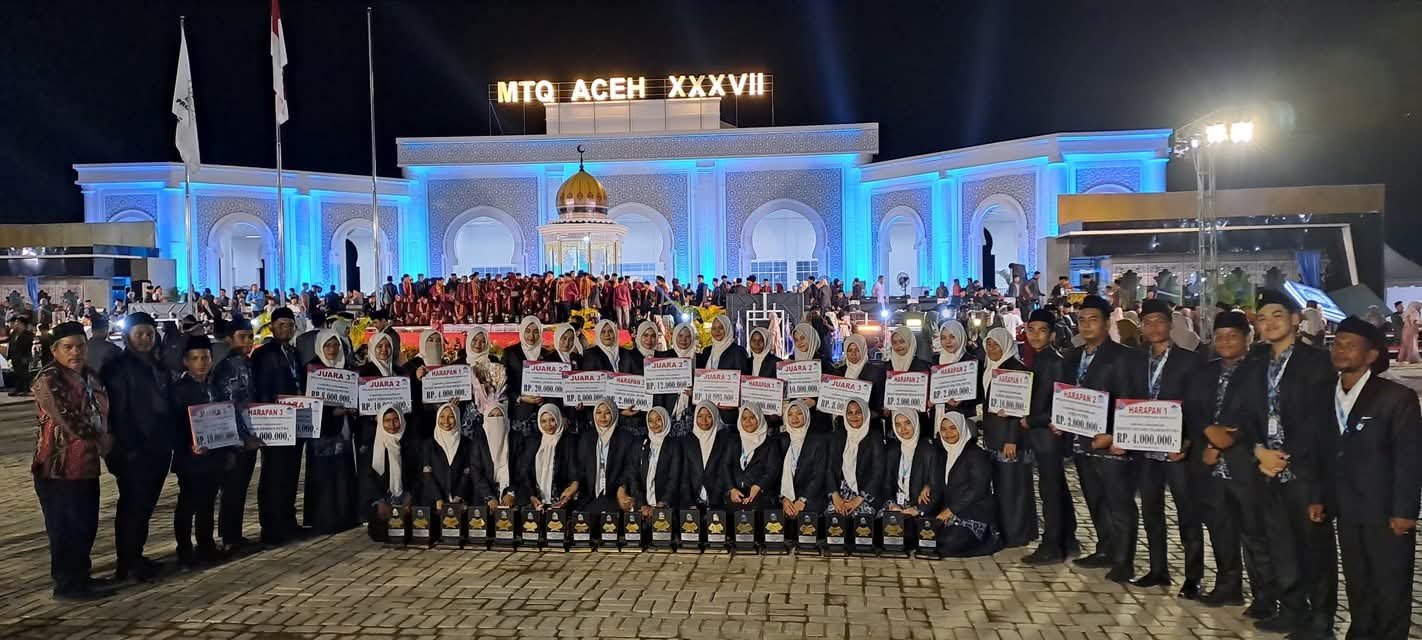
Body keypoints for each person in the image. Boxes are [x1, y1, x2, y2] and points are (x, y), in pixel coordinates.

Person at [1322, 317, 1420, 640]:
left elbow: (1409, 458)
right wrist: (1321, 498)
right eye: (1337, 344)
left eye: (1351, 346)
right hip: (1347, 508)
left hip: (1385, 509)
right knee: (1357, 579)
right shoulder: (1327, 395)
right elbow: (1322, 451)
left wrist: (1405, 511)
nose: (1341, 350)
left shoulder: (1396, 398)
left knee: (1390, 583)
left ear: (1372, 355)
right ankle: (1361, 632)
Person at [1246, 289, 1337, 636]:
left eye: (1277, 315)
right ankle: (1292, 609)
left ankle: (1322, 619)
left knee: (1315, 548)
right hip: (1266, 469)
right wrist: (1259, 451)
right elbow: (1244, 413)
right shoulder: (1256, 362)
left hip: (1305, 471)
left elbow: (1323, 422)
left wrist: (1287, 458)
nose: (1269, 323)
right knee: (1280, 544)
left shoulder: (1317, 362)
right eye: (1262, 317)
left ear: (1296, 320)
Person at [31, 321, 115, 600]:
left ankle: (82, 576)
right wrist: (100, 437)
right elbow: (66, 418)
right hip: (57, 468)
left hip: (87, 465)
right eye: (68, 347)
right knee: (64, 527)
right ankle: (67, 584)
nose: (75, 352)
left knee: (85, 524)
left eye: (80, 346)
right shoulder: (48, 379)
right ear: (55, 350)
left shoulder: (90, 375)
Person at [1189, 310, 1267, 608]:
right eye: (1220, 336)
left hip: (1244, 463)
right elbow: (1193, 408)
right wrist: (1208, 433)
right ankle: (1228, 586)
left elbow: (1258, 414)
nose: (1225, 342)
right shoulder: (1206, 371)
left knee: (1254, 532)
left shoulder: (1260, 371)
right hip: (1210, 465)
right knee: (1220, 528)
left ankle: (1264, 596)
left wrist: (1225, 441)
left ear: (1247, 338)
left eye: (1232, 336)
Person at [1066, 295, 1144, 584]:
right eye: (1082, 320)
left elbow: (1131, 400)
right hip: (1082, 440)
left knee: (1119, 503)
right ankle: (1105, 548)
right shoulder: (1073, 355)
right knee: (1095, 498)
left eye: (1093, 319)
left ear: (1107, 321)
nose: (1086, 325)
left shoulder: (1124, 356)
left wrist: (1116, 435)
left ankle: (1124, 561)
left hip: (1112, 444)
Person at [1129, 299, 1205, 595]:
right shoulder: (1137, 360)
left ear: (1170, 324)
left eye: (1159, 321)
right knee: (1151, 510)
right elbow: (1128, 400)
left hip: (1177, 448)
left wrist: (1188, 440)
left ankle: (1193, 576)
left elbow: (1198, 406)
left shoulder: (1190, 361)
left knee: (1187, 511)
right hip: (1145, 447)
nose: (1153, 327)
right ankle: (1157, 569)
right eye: (1147, 322)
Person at [101, 311, 173, 582]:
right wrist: (125, 448)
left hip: (159, 446)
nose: (145, 339)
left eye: (149, 334)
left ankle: (137, 555)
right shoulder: (117, 368)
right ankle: (127, 562)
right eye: (139, 334)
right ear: (127, 336)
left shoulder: (159, 365)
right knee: (132, 506)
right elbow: (117, 413)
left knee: (146, 505)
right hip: (133, 449)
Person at [168, 335, 235, 568]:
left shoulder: (215, 387)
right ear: (186, 361)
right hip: (190, 458)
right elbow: (174, 425)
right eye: (195, 358)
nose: (201, 363)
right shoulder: (178, 390)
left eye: (205, 358)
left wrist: (228, 447)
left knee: (208, 501)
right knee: (188, 504)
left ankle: (206, 545)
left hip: (214, 455)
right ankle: (184, 549)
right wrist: (189, 445)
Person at [252, 306, 306, 545]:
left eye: (290, 325)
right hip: (273, 422)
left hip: (295, 421)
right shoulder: (263, 354)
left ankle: (288, 520)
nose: (286, 329)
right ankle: (271, 526)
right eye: (281, 325)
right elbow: (260, 388)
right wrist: (267, 417)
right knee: (273, 474)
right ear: (272, 327)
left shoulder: (294, 352)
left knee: (291, 473)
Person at [979, 327, 1036, 549]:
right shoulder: (990, 367)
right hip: (994, 436)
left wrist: (1012, 439)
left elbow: (1021, 409)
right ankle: (1007, 530)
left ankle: (1017, 535)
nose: (992, 349)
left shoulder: (1016, 369)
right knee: (1003, 486)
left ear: (1006, 344)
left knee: (1014, 488)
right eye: (988, 344)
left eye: (996, 344)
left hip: (1009, 440)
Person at [211, 313, 259, 551]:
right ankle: (230, 537)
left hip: (250, 435)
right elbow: (230, 405)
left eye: (250, 337)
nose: (247, 341)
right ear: (230, 339)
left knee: (239, 487)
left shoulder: (246, 362)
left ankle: (234, 534)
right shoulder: (228, 366)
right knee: (232, 488)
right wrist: (243, 437)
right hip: (235, 439)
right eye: (242, 337)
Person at [303, 330, 359, 534]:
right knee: (323, 475)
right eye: (327, 345)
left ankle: (344, 517)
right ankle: (324, 519)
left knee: (343, 472)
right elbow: (309, 400)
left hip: (343, 430)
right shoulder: (312, 369)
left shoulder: (347, 368)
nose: (332, 350)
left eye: (336, 345)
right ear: (320, 347)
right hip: (322, 432)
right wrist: (332, 412)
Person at [931, 410, 1002, 557]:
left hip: (974, 513)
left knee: (948, 543)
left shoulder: (976, 454)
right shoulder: (943, 453)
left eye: (953, 428)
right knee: (926, 537)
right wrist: (927, 485)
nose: (948, 433)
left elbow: (978, 489)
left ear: (962, 428)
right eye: (944, 429)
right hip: (950, 513)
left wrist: (951, 510)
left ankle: (990, 539)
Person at [577, 399, 637, 519]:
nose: (603, 417)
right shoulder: (586, 437)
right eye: (599, 412)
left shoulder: (626, 438)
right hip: (589, 496)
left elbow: (629, 468)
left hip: (615, 495)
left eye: (607, 413)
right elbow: (580, 468)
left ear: (614, 414)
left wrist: (622, 489)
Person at [882, 410, 937, 538]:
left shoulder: (929, 450)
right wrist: (891, 504)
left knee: (911, 535)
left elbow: (937, 488)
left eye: (907, 423)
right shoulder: (892, 450)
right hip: (896, 507)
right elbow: (886, 483)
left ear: (915, 423)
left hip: (918, 509)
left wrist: (918, 509)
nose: (903, 429)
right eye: (898, 424)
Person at [363, 406, 415, 539]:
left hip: (405, 494)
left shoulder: (411, 443)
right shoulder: (371, 446)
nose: (392, 425)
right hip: (382, 496)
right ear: (380, 422)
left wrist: (410, 496)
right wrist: (380, 501)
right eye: (387, 421)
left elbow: (417, 475)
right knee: (381, 530)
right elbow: (367, 477)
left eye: (396, 419)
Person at [719, 405, 779, 512]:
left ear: (759, 418)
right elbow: (725, 465)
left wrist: (758, 486)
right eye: (744, 418)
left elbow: (772, 470)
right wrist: (731, 489)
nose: (748, 422)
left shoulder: (770, 443)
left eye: (752, 417)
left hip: (761, 498)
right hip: (735, 496)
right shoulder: (733, 441)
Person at [829, 399, 883, 517]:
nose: (854, 416)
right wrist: (835, 495)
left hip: (865, 494)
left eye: (858, 412)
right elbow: (830, 468)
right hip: (841, 492)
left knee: (861, 520)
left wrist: (859, 499)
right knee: (833, 518)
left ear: (865, 413)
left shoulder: (875, 437)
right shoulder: (838, 435)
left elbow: (878, 473)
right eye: (850, 413)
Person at [419, 402, 475, 514]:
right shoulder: (428, 444)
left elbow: (467, 472)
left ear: (457, 418)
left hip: (460, 502)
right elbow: (426, 473)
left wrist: (458, 497)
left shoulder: (467, 443)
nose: (446, 421)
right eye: (442, 416)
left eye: (451, 416)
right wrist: (438, 498)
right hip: (433, 503)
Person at [778, 400, 829, 520]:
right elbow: (775, 474)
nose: (794, 418)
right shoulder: (780, 440)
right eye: (790, 414)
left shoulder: (819, 440)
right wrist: (783, 499)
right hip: (784, 502)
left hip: (811, 500)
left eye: (799, 413)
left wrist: (803, 500)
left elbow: (819, 474)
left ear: (806, 415)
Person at [521, 404, 579, 510]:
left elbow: (573, 472)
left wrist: (569, 492)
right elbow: (525, 471)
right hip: (536, 502)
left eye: (552, 420)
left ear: (558, 419)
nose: (548, 425)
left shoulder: (568, 442)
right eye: (543, 421)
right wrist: (532, 496)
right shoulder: (533, 443)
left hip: (562, 501)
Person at [503, 317, 553, 435]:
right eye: (528, 331)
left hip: (544, 415)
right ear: (522, 331)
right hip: (519, 413)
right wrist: (520, 398)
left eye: (536, 331)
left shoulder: (547, 354)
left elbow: (553, 382)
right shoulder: (510, 353)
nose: (531, 336)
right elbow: (504, 383)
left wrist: (545, 397)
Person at [632, 406, 682, 517]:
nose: (654, 424)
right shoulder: (642, 443)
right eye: (650, 420)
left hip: (665, 507)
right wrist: (642, 504)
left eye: (658, 419)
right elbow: (634, 475)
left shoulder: (674, 445)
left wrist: (662, 503)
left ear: (665, 420)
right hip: (643, 508)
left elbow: (674, 478)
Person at [682, 401, 726, 509]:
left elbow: (724, 472)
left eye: (709, 416)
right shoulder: (687, 440)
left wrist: (714, 503)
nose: (704, 420)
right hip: (691, 502)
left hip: (719, 501)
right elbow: (684, 474)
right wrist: (690, 503)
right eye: (700, 416)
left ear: (715, 416)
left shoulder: (724, 440)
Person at [7, 315, 35, 396]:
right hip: (14, 357)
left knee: (24, 373)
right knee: (16, 373)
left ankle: (25, 389)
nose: (15, 324)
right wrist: (9, 356)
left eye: (18, 322)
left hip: (23, 357)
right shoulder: (13, 334)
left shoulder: (28, 335)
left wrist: (27, 357)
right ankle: (18, 389)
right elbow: (10, 345)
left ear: (22, 324)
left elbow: (29, 347)